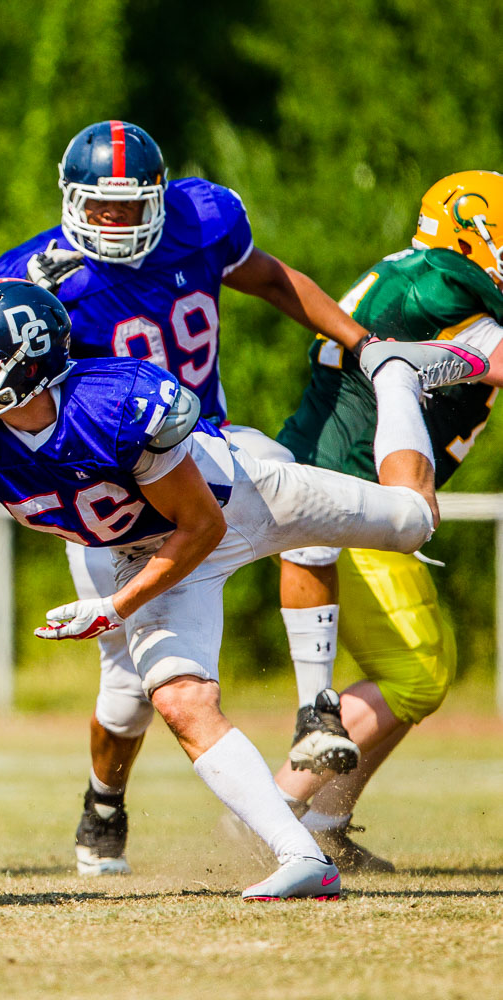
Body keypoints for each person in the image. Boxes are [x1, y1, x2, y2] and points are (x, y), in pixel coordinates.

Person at [0, 278, 486, 900]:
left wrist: (116, 607)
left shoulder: (112, 404)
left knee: (412, 521)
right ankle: (303, 857)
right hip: (147, 550)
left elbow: (200, 526)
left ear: (28, 367)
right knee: (179, 699)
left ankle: (396, 375)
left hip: (241, 499)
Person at [0, 119, 378, 874]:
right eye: (101, 207)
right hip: (116, 492)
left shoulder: (201, 222)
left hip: (211, 447)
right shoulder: (39, 277)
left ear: (161, 199)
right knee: (127, 692)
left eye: (132, 207)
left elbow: (268, 277)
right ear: (72, 201)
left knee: (314, 515)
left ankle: (316, 708)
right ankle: (104, 798)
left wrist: (361, 343)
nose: (117, 222)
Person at [269, 170, 503, 869]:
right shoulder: (444, 282)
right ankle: (274, 814)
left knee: (423, 670)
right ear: (472, 232)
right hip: (353, 491)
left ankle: (322, 820)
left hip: (344, 483)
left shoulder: (430, 277)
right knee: (416, 673)